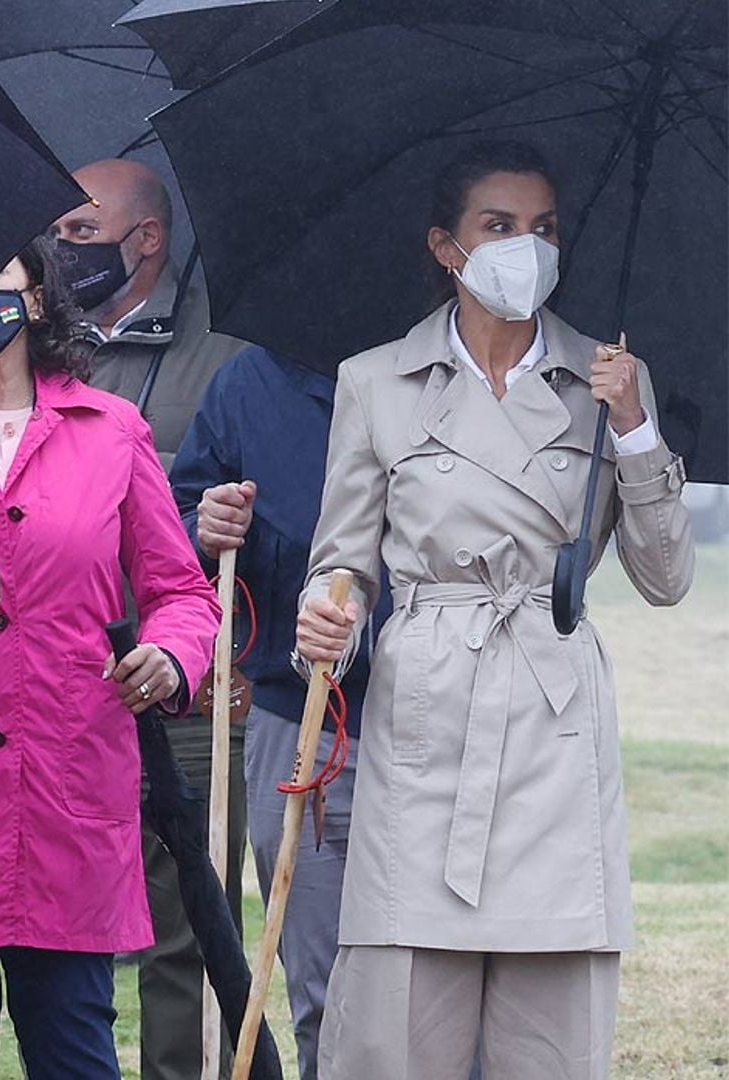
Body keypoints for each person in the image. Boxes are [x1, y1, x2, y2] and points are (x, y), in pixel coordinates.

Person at [298, 139, 693, 1080]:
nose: (528, 246)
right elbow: (341, 560)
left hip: (553, 722)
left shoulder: (606, 383)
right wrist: (328, 614)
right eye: (500, 225)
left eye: (545, 227)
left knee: (549, 1042)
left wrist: (635, 426)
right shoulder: (375, 382)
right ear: (447, 245)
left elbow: (667, 576)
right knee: (393, 1036)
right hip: (425, 712)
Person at [0, 242, 220, 1078]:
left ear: (36, 298)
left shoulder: (112, 431)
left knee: (76, 1053)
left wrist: (170, 657)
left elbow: (182, 590)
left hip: (71, 799)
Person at [51, 157, 246, 1080]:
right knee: (53, 924)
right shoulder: (32, 343)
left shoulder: (226, 353)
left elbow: (274, 511)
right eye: (58, 233)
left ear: (149, 240)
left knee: (189, 930)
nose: (63, 249)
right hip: (57, 686)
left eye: (83, 232)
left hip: (181, 683)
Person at [169, 345, 390, 1080]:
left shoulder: (446, 371)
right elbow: (179, 512)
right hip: (297, 720)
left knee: (438, 983)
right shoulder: (247, 380)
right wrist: (207, 523)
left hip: (441, 718)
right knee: (320, 982)